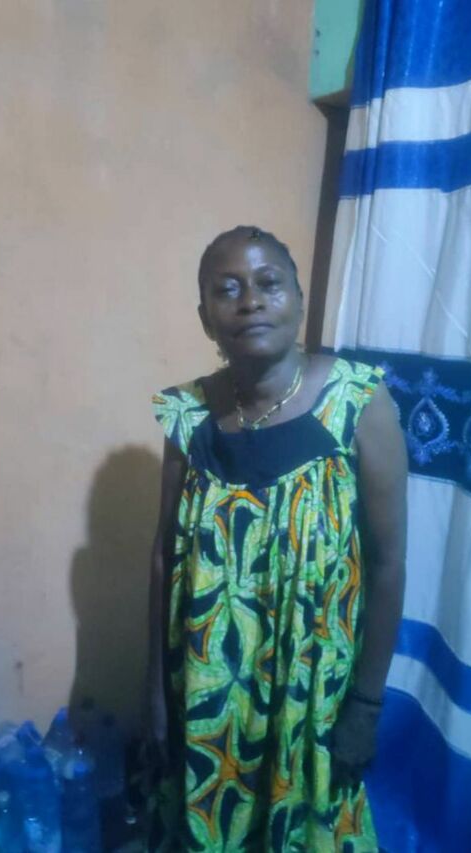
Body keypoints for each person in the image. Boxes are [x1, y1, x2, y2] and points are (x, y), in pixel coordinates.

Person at [149, 226, 407, 851]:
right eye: (227, 289)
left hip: (312, 698)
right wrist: (154, 691)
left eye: (269, 284)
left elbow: (389, 562)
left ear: (297, 300)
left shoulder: (357, 401)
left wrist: (366, 706)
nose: (250, 301)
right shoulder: (187, 415)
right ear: (206, 318)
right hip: (208, 693)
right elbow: (162, 558)